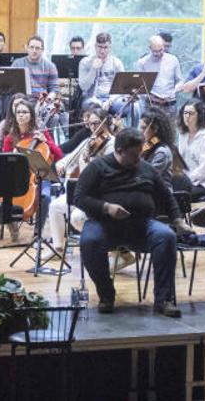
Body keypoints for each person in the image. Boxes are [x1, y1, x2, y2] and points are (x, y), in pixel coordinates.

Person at [74, 128, 181, 317]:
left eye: (140, 154)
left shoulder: (146, 168)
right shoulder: (98, 167)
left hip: (141, 225)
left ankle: (163, 299)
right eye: (134, 155)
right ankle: (106, 295)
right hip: (104, 224)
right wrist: (107, 207)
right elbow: (79, 198)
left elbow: (166, 195)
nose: (138, 159)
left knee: (166, 236)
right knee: (89, 242)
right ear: (120, 150)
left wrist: (178, 220)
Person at [49, 105, 114, 250]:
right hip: (83, 193)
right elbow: (70, 158)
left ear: (105, 122)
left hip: (99, 195)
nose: (93, 127)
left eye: (97, 123)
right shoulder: (89, 142)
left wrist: (90, 159)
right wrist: (61, 164)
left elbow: (104, 171)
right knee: (55, 207)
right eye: (90, 123)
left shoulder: (111, 143)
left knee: (77, 218)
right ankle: (58, 247)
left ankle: (105, 246)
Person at [0, 97, 64, 243]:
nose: (21, 115)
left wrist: (45, 140)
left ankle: (37, 233)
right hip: (17, 177)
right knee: (5, 196)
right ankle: (12, 224)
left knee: (45, 197)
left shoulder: (40, 133)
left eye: (25, 112)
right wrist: (13, 156)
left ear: (31, 116)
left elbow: (59, 155)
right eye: (18, 112)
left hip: (39, 176)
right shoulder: (10, 138)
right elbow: (4, 161)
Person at [78, 33, 129, 121]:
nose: (102, 51)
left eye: (105, 47)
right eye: (99, 47)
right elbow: (84, 87)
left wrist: (110, 101)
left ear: (110, 48)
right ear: (95, 46)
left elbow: (122, 88)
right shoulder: (85, 62)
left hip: (112, 99)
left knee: (129, 108)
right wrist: (93, 69)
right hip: (91, 98)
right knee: (95, 109)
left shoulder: (116, 63)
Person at [176, 101, 205, 203]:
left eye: (191, 113)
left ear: (199, 116)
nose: (187, 116)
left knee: (177, 195)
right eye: (185, 113)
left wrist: (186, 181)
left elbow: (203, 169)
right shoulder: (183, 135)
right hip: (187, 181)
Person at [15, 36, 61, 129]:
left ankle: (48, 141)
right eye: (31, 47)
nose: (34, 51)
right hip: (23, 99)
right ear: (27, 48)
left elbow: (54, 88)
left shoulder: (50, 66)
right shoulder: (17, 63)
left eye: (37, 48)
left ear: (42, 50)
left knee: (53, 116)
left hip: (41, 101)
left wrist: (49, 98)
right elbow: (12, 85)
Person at [136, 34, 187, 117]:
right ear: (150, 48)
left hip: (170, 104)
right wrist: (150, 97)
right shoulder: (143, 62)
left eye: (161, 50)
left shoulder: (173, 59)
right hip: (151, 104)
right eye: (156, 51)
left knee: (170, 129)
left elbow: (180, 81)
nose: (159, 53)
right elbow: (139, 86)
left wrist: (173, 92)